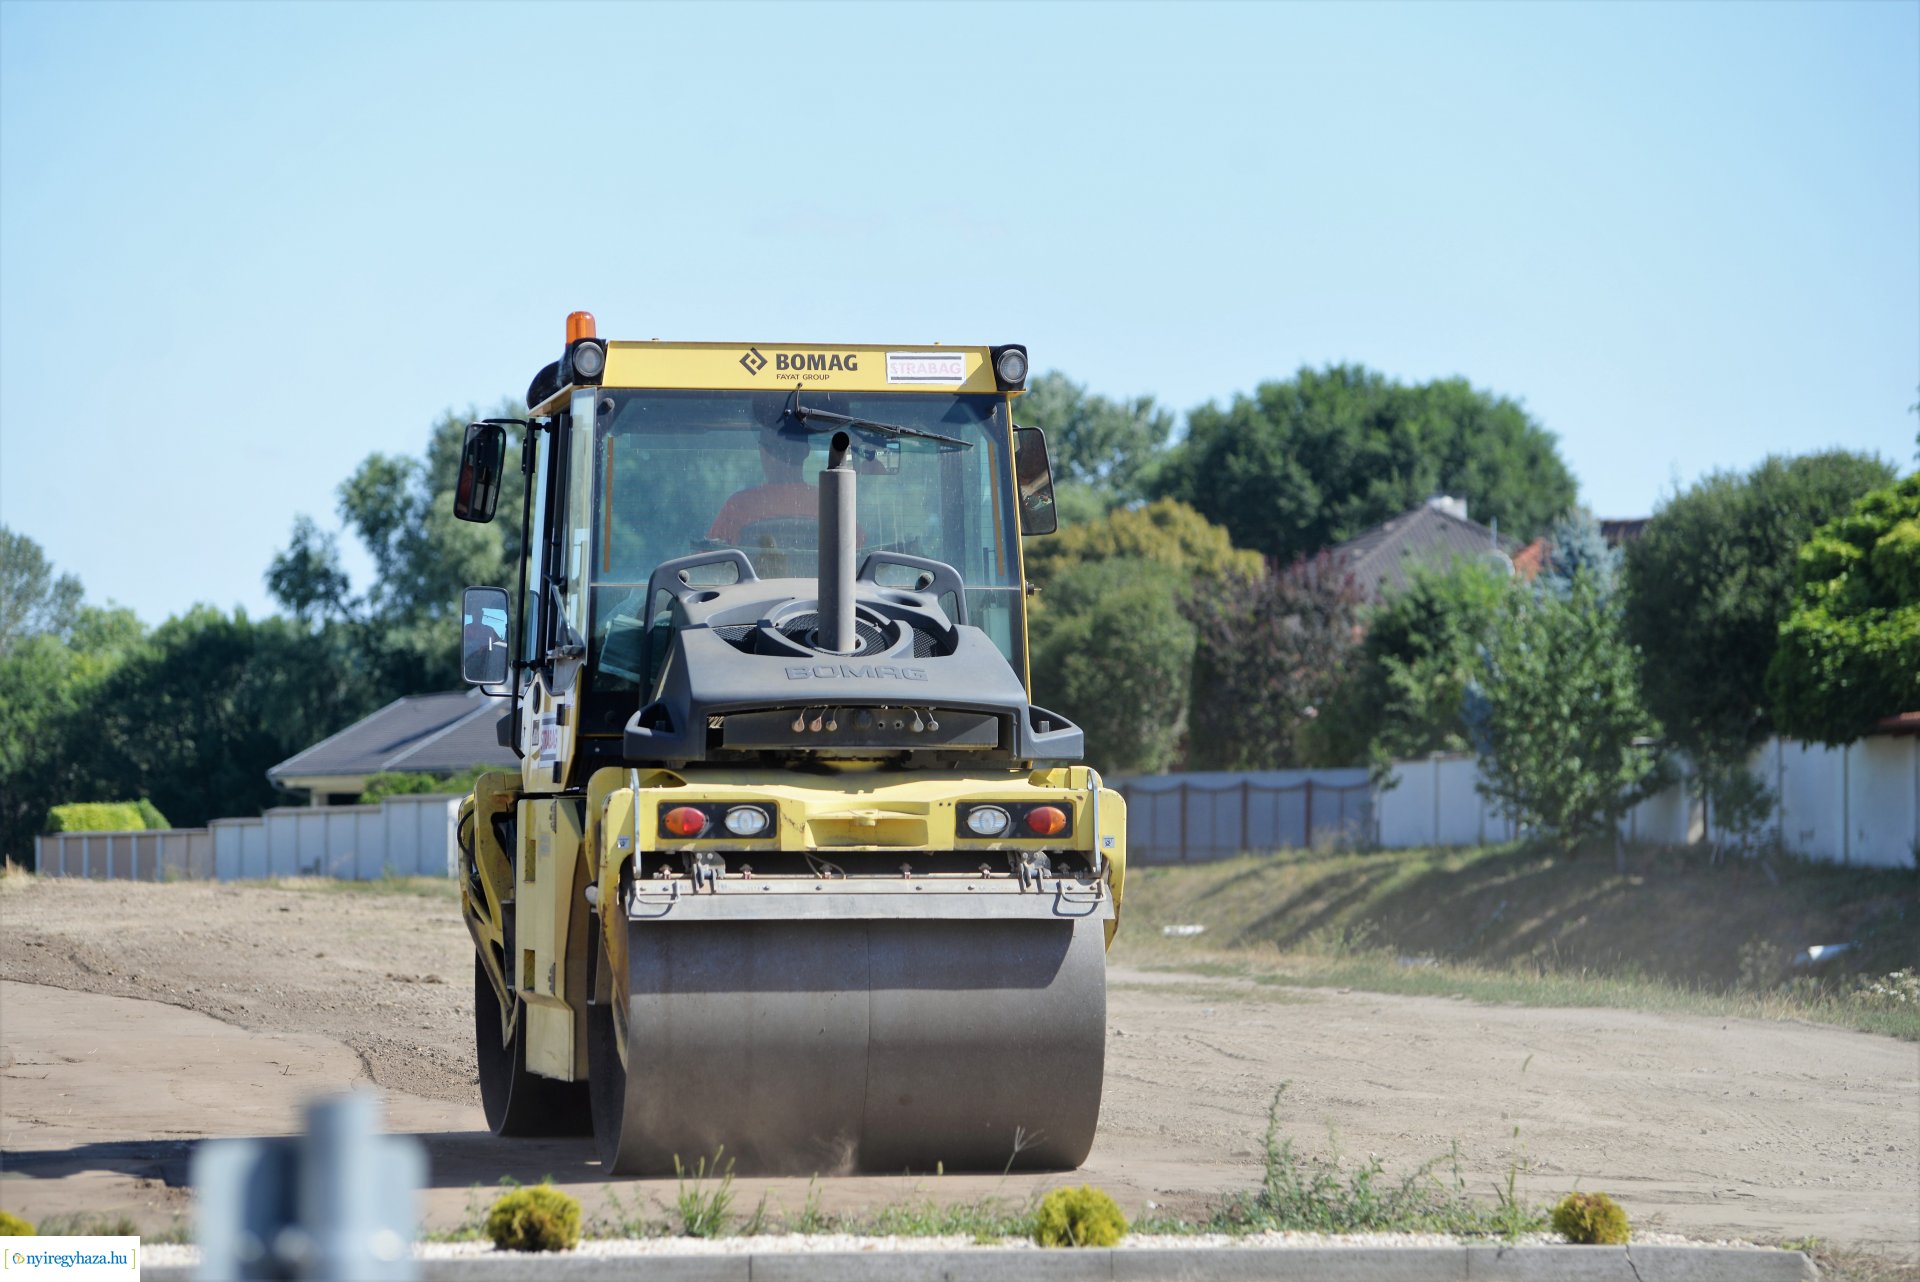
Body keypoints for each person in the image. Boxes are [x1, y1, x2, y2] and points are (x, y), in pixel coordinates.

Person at [707, 430, 817, 545]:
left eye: (773, 449)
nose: (775, 457)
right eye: (774, 449)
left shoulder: (738, 506)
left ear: (762, 451)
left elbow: (707, 559)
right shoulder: (828, 504)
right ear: (806, 451)